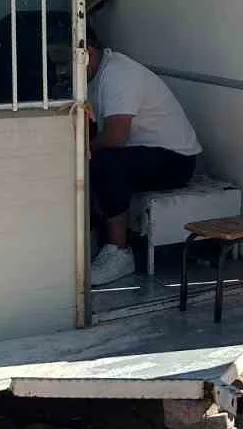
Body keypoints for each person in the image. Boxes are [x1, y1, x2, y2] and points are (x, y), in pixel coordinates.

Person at [86, 27, 203, 286]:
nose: (61, 70)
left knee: (104, 163)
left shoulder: (118, 75)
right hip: (143, 153)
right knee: (91, 162)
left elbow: (116, 136)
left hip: (175, 160)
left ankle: (119, 251)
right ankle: (96, 239)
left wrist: (81, 150)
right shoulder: (96, 74)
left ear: (88, 53)